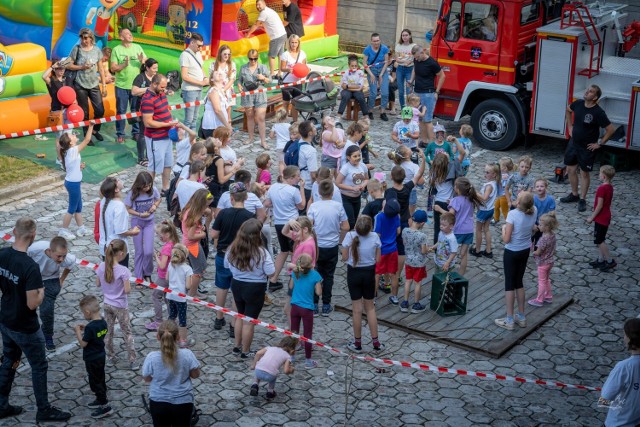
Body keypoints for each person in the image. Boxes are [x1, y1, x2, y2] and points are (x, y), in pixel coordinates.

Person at [0, 219, 72, 422]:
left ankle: (1, 404)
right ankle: (44, 409)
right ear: (33, 236)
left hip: (6, 319)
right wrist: (41, 292)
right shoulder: (30, 267)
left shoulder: (3, 255)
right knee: (39, 365)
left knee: (10, 360)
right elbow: (33, 304)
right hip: (26, 327)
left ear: (14, 231)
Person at [561, 84, 617, 212]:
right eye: (587, 90)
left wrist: (600, 143)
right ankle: (574, 195)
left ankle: (583, 199)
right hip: (573, 143)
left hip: (587, 147)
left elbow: (610, 129)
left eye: (591, 92)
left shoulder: (598, 112)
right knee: (570, 169)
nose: (587, 92)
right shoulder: (578, 103)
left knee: (584, 173)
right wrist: (570, 127)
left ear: (595, 97)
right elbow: (568, 110)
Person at [226, 219, 276, 358]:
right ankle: (246, 351)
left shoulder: (232, 249)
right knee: (249, 322)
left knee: (239, 316)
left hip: (237, 284)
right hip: (255, 287)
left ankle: (237, 346)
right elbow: (271, 272)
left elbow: (227, 265)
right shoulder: (262, 252)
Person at [210, 182, 256, 334]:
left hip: (223, 254)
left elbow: (214, 234)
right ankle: (233, 323)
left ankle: (218, 317)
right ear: (246, 197)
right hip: (241, 256)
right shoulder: (250, 217)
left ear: (231, 198)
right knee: (236, 289)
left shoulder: (223, 213)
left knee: (221, 286)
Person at [142, 320, 201, 427]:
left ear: (158, 337)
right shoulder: (187, 354)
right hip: (183, 402)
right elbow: (195, 375)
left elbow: (147, 379)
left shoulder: (151, 357)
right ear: (178, 337)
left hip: (158, 402)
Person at [341, 215, 384, 353]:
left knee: (356, 310)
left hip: (353, 273)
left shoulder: (349, 236)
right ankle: (376, 342)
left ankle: (357, 343)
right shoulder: (375, 237)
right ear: (370, 227)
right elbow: (378, 259)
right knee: (370, 308)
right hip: (369, 273)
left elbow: (344, 257)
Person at [495, 191, 536, 331]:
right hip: (525, 249)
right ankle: (522, 316)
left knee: (509, 284)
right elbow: (533, 229)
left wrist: (503, 229)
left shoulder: (512, 214)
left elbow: (506, 239)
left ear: (518, 203)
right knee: (519, 282)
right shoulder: (534, 210)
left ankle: (509, 319)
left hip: (512, 251)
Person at [307, 180, 349, 315]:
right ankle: (326, 304)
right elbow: (346, 226)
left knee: (314, 274)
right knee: (329, 276)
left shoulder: (314, 206)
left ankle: (314, 304)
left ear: (319, 192)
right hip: (332, 245)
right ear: (332, 192)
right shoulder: (338, 207)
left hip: (317, 246)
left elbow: (308, 226)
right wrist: (339, 235)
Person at [27, 237, 77, 352]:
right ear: (50, 251)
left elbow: (70, 264)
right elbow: (22, 258)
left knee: (47, 311)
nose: (61, 259)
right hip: (33, 278)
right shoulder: (35, 249)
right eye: (59, 256)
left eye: (64, 256)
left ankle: (48, 336)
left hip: (51, 280)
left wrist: (62, 280)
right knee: (27, 306)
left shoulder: (67, 258)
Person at [96, 239, 138, 369]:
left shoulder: (101, 266)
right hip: (120, 306)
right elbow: (127, 290)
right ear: (120, 253)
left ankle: (110, 356)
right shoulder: (123, 270)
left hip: (107, 304)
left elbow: (98, 284)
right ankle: (132, 360)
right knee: (127, 332)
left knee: (108, 332)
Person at [264, 166, 305, 291]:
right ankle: (295, 281)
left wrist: (278, 204)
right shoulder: (294, 191)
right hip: (293, 224)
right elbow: (302, 206)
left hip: (279, 223)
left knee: (283, 251)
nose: (299, 178)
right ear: (291, 177)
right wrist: (302, 188)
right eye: (298, 176)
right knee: (295, 252)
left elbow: (267, 203)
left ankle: (273, 279)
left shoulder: (273, 187)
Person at [73, 295, 111, 419]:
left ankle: (105, 406)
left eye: (83, 313)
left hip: (91, 358)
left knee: (95, 381)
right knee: (100, 377)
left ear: (88, 312)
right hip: (100, 355)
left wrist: (78, 332)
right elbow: (95, 332)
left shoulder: (90, 327)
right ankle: (100, 399)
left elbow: (83, 344)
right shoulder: (103, 322)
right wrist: (86, 328)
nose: (83, 315)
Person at [65, 28, 106, 142]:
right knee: (85, 112)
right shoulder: (77, 49)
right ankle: (87, 137)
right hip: (80, 84)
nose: (84, 41)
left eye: (86, 38)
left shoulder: (97, 50)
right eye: (82, 38)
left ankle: (95, 130)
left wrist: (104, 85)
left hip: (93, 84)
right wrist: (81, 67)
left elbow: (101, 69)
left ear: (91, 38)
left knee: (100, 110)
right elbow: (69, 65)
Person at [598, 318, 640, 427]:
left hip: (619, 423)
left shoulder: (624, 367)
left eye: (625, 334)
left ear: (630, 339)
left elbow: (604, 399)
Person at [142, 73, 180, 193]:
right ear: (154, 84)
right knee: (153, 166)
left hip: (166, 135)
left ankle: (165, 188)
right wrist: (167, 124)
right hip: (155, 138)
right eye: (162, 87)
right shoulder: (147, 99)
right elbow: (148, 122)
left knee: (168, 163)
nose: (164, 89)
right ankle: (146, 190)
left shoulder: (161, 93)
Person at [124, 171, 161, 283]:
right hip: (137, 223)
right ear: (139, 185)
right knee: (139, 251)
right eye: (145, 186)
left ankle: (147, 273)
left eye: (149, 185)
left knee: (148, 251)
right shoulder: (132, 193)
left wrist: (154, 205)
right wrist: (140, 214)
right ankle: (139, 276)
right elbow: (127, 208)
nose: (147, 188)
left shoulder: (153, 190)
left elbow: (158, 199)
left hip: (149, 223)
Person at [58, 124, 94, 240]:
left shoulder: (70, 151)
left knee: (78, 207)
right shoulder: (73, 150)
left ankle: (81, 228)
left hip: (73, 183)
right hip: (73, 184)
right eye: (71, 135)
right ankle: (63, 230)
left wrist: (79, 167)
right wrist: (91, 126)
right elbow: (87, 140)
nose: (74, 134)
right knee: (72, 208)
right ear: (70, 143)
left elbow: (71, 167)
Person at [440, 177, 482, 276]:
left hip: (457, 231)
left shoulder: (455, 200)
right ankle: (461, 275)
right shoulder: (471, 199)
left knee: (450, 252)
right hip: (469, 231)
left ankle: (446, 273)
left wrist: (439, 209)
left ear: (457, 189)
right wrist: (451, 203)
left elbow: (450, 216)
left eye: (455, 185)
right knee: (463, 254)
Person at [110, 28, 146, 143]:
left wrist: (142, 61)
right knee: (121, 110)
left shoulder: (138, 47)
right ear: (121, 37)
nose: (130, 35)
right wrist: (124, 65)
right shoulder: (116, 50)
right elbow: (113, 68)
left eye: (131, 33)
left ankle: (135, 132)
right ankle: (120, 133)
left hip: (136, 86)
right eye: (127, 34)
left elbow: (146, 62)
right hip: (121, 85)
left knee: (135, 109)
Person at [98, 177, 141, 266]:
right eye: (117, 181)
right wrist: (133, 232)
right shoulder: (119, 206)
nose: (119, 180)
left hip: (105, 246)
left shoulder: (103, 201)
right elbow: (120, 231)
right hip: (118, 249)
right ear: (116, 189)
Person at [289, 254, 322, 367]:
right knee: (307, 334)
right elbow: (318, 293)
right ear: (311, 264)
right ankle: (308, 360)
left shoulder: (295, 273)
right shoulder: (315, 275)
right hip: (307, 308)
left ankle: (292, 357)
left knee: (294, 332)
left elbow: (290, 286)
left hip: (295, 307)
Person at [146, 220, 180, 331]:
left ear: (167, 234)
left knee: (156, 296)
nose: (158, 237)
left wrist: (156, 257)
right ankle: (172, 320)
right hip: (170, 277)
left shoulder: (166, 248)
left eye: (159, 235)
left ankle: (158, 321)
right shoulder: (174, 244)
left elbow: (162, 265)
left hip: (163, 277)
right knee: (167, 298)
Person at [409, 44, 445, 142]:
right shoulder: (416, 60)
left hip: (428, 94)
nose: (416, 59)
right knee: (420, 119)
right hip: (417, 93)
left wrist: (437, 92)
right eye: (415, 57)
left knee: (427, 120)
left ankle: (433, 143)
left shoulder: (432, 63)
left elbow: (442, 76)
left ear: (422, 52)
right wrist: (411, 81)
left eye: (417, 57)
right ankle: (424, 141)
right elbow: (414, 70)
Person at [245, 0, 288, 80]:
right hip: (283, 34)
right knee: (280, 55)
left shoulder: (263, 13)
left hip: (276, 36)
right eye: (256, 5)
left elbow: (255, 24)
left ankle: (272, 74)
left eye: (259, 4)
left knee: (271, 56)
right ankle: (280, 73)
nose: (258, 6)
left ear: (264, 3)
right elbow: (266, 22)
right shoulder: (269, 10)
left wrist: (248, 34)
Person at [586, 165, 617, 272]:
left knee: (600, 240)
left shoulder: (601, 188)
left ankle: (609, 261)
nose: (598, 175)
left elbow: (599, 206)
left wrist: (591, 217)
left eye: (599, 173)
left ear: (603, 176)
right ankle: (600, 260)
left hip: (601, 218)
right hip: (606, 216)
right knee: (600, 239)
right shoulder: (610, 187)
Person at [239, 50, 271, 149]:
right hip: (248, 94)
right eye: (251, 59)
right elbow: (239, 81)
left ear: (258, 57)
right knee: (250, 116)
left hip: (260, 93)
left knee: (261, 118)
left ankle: (263, 141)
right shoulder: (243, 68)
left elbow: (269, 81)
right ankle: (250, 138)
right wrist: (239, 86)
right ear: (248, 58)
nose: (253, 61)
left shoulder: (262, 67)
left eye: (255, 59)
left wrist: (263, 78)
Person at [400, 209, 429, 313]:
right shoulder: (422, 236)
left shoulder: (404, 231)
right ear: (422, 223)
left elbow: (404, 243)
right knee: (417, 283)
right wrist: (428, 249)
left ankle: (405, 303)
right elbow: (423, 250)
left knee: (408, 281)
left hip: (408, 261)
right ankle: (416, 305)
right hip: (419, 263)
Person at [166, 244, 195, 348]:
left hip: (170, 295)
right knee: (182, 319)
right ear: (185, 255)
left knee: (171, 317)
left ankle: (169, 338)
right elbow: (188, 285)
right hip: (181, 298)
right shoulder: (187, 269)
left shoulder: (170, 264)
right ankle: (183, 340)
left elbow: (167, 279)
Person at [131, 58, 159, 166]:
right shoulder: (140, 77)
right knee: (143, 133)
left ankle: (149, 155)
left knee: (152, 133)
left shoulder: (156, 77)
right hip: (143, 109)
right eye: (154, 68)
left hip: (155, 108)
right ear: (147, 68)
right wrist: (149, 88)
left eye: (157, 68)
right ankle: (141, 158)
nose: (156, 70)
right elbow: (134, 91)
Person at [40, 59, 68, 166]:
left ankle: (66, 156)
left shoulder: (67, 79)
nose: (61, 70)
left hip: (67, 110)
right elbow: (43, 76)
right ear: (55, 69)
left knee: (67, 134)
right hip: (56, 111)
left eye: (63, 68)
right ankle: (60, 159)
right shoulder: (51, 80)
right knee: (59, 136)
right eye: (59, 68)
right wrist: (52, 66)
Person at [179, 33, 209, 131]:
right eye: (199, 46)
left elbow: (201, 68)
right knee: (189, 119)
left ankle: (192, 140)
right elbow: (184, 76)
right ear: (192, 43)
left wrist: (205, 78)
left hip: (198, 89)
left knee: (195, 118)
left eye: (201, 46)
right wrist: (200, 83)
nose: (200, 48)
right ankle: (185, 142)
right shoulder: (185, 55)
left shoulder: (198, 54)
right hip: (190, 90)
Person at [527, 213, 558, 307]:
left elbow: (538, 252)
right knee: (547, 280)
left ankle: (539, 300)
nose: (538, 226)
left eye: (540, 225)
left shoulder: (543, 239)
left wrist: (532, 250)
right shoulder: (552, 235)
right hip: (550, 261)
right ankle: (548, 296)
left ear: (547, 227)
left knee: (541, 281)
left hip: (543, 263)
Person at [336, 146, 369, 230]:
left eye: (359, 155)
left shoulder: (363, 166)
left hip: (357, 198)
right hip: (346, 198)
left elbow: (366, 179)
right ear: (348, 157)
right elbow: (337, 183)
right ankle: (347, 238)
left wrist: (363, 186)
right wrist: (352, 188)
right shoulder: (345, 168)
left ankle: (351, 238)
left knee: (354, 221)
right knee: (350, 221)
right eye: (355, 156)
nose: (358, 158)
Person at [375, 199, 401, 304]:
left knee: (377, 274)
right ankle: (394, 296)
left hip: (381, 250)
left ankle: (373, 298)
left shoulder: (379, 217)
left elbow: (378, 234)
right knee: (393, 274)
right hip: (393, 249)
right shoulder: (397, 217)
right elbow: (398, 231)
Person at [470, 163, 499, 258]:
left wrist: (474, 192)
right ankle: (488, 250)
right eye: (485, 171)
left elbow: (484, 198)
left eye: (487, 172)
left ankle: (477, 250)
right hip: (490, 209)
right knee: (486, 230)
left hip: (483, 211)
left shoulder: (489, 186)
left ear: (494, 174)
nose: (485, 174)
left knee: (478, 230)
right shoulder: (494, 184)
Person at [363, 33, 390, 121]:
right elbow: (364, 64)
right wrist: (371, 75)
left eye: (377, 40)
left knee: (385, 93)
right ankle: (370, 111)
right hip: (372, 71)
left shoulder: (384, 48)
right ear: (371, 41)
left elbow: (386, 62)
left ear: (380, 40)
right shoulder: (367, 50)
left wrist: (382, 74)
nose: (376, 43)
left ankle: (382, 112)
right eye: (374, 41)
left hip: (383, 71)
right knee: (373, 93)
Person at [280, 34, 307, 121]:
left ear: (298, 43)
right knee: (286, 103)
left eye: (296, 42)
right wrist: (288, 70)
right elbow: (282, 68)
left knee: (295, 103)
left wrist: (303, 78)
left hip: (297, 82)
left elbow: (304, 67)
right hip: (287, 82)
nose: (294, 44)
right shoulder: (285, 54)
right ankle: (284, 121)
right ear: (289, 43)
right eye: (292, 42)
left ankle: (295, 122)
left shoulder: (302, 54)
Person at [208, 44, 237, 122]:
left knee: (228, 115)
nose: (227, 56)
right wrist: (218, 90)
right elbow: (211, 79)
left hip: (227, 91)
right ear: (220, 53)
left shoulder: (232, 64)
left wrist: (223, 90)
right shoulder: (213, 65)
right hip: (216, 91)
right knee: (218, 111)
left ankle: (228, 131)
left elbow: (232, 79)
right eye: (225, 54)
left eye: (228, 54)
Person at [337, 55, 369, 121]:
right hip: (348, 91)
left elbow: (359, 86)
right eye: (352, 66)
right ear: (349, 66)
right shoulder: (345, 73)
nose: (354, 67)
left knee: (360, 97)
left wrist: (348, 86)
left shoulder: (360, 72)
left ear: (357, 65)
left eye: (355, 66)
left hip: (355, 90)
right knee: (345, 96)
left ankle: (366, 115)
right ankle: (339, 115)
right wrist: (354, 87)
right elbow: (343, 86)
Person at [201, 70, 232, 137]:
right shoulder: (214, 91)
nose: (219, 73)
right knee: (215, 146)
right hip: (213, 126)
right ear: (212, 79)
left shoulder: (221, 91)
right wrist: (227, 125)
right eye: (216, 73)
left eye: (220, 73)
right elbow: (217, 110)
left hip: (219, 125)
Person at [297, 121, 319, 214]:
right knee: (306, 211)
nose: (316, 128)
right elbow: (313, 174)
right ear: (310, 133)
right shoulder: (311, 151)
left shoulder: (300, 142)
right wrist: (316, 187)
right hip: (307, 185)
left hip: (299, 181)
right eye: (313, 127)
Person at [394, 29, 416, 109]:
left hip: (409, 69)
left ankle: (409, 108)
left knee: (409, 90)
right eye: (403, 35)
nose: (405, 37)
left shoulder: (413, 46)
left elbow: (415, 58)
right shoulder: (398, 46)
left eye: (406, 35)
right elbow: (397, 59)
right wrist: (403, 61)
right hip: (400, 69)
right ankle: (403, 109)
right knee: (400, 91)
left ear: (410, 36)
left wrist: (409, 62)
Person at [493, 157, 514, 224]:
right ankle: (496, 219)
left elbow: (503, 186)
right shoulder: (503, 174)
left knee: (505, 211)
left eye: (500, 165)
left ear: (505, 168)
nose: (499, 166)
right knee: (496, 206)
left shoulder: (505, 176)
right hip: (501, 195)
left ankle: (509, 223)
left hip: (504, 196)